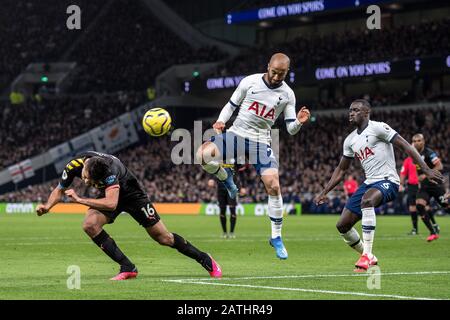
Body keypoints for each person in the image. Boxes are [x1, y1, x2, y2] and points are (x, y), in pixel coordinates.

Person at [36, 151, 222, 280]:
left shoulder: (110, 170)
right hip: (109, 194)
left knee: (164, 238)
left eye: (90, 181)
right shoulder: (74, 165)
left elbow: (111, 203)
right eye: (85, 177)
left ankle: (204, 258)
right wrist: (47, 206)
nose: (85, 181)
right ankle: (128, 267)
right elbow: (60, 189)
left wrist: (79, 199)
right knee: (90, 224)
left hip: (133, 196)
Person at [196, 53, 311, 260]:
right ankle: (226, 178)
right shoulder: (250, 81)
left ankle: (276, 237)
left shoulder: (288, 95)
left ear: (287, 72)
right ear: (268, 66)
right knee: (202, 155)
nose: (277, 77)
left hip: (261, 142)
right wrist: (221, 121)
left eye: (281, 74)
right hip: (236, 134)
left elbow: (291, 129)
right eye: (274, 72)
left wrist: (300, 122)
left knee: (274, 185)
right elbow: (231, 105)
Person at [314, 99, 443, 272]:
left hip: (388, 180)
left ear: (366, 112)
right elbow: (341, 169)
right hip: (369, 182)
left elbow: (406, 146)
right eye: (350, 110)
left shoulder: (379, 127)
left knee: (367, 201)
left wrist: (426, 169)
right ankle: (369, 255)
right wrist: (325, 191)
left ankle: (366, 255)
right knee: (342, 225)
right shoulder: (350, 140)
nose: (351, 113)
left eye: (356, 110)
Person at [411, 134, 449, 241]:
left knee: (446, 205)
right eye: (415, 141)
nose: (417, 142)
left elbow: (439, 166)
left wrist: (427, 174)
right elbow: (418, 168)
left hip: (435, 184)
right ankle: (433, 232)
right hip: (424, 186)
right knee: (419, 205)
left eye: (419, 140)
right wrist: (419, 178)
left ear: (423, 141)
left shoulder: (429, 153)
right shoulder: (414, 154)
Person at [399, 156, 420, 235]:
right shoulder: (408, 160)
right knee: (412, 207)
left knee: (425, 206)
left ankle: (434, 225)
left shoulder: (422, 157)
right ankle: (415, 229)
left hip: (422, 185)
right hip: (412, 186)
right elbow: (403, 172)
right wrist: (401, 184)